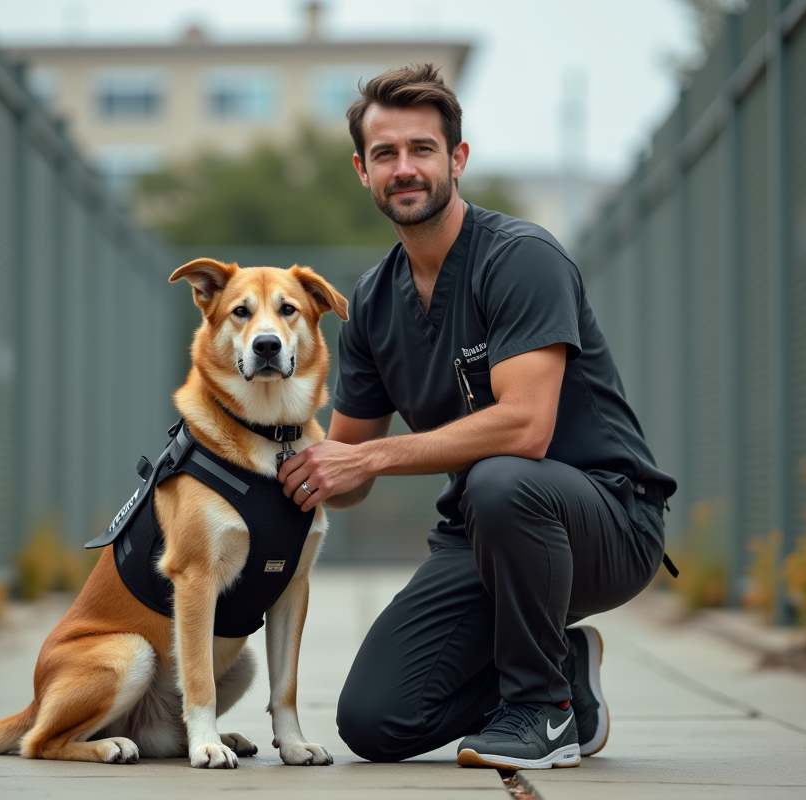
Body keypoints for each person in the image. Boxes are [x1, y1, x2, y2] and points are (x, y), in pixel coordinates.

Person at [276, 63, 676, 770]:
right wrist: (249, 462)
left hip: (605, 521)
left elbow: (527, 430)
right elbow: (348, 470)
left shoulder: (522, 259)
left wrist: (370, 458)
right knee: (375, 721)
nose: (405, 168)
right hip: (480, 536)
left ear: (457, 159)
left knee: (500, 477)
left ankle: (542, 713)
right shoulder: (371, 303)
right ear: (362, 172)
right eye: (385, 154)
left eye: (422, 149)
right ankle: (563, 666)